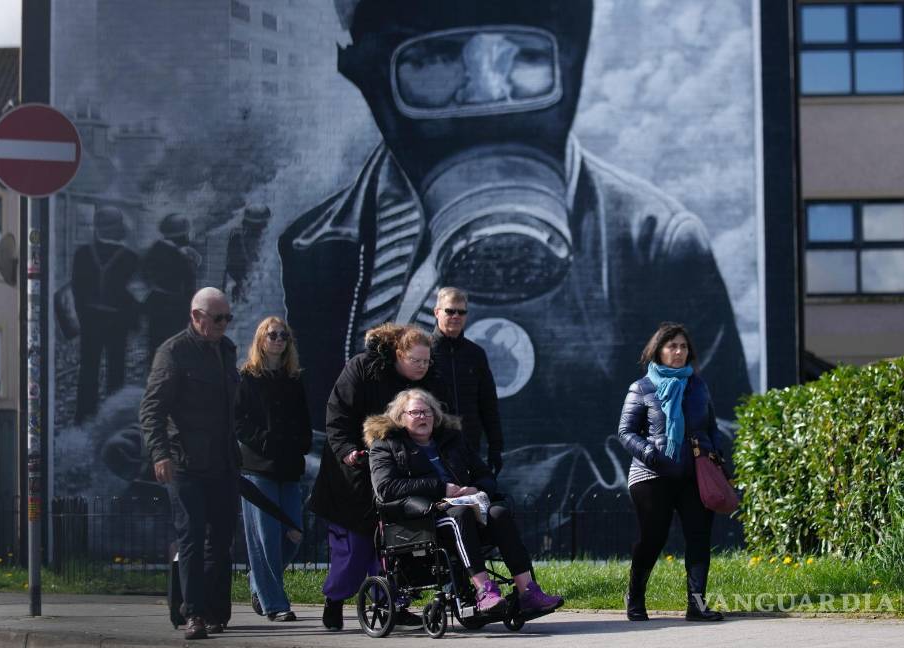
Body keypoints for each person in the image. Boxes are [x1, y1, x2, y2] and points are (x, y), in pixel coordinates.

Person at [278, 0, 751, 504]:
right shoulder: (321, 249)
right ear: (367, 74)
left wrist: (529, 491)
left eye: (523, 57)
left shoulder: (652, 245)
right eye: (436, 58)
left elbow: (722, 434)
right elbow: (319, 429)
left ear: (572, 63)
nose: (487, 93)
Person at [366, 388, 563, 614]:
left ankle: (527, 591)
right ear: (400, 417)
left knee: (499, 513)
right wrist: (441, 488)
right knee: (460, 515)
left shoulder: (452, 440)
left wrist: (476, 488)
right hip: (425, 517)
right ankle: (484, 590)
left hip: (467, 505)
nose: (423, 417)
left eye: (427, 412)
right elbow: (386, 488)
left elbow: (486, 475)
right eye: (415, 413)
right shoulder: (385, 445)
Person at [308, 323, 441, 630]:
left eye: (426, 361)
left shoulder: (430, 380)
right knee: (354, 548)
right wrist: (347, 451)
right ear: (398, 355)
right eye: (416, 361)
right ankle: (336, 598)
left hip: (400, 472)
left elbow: (440, 417)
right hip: (354, 474)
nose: (423, 366)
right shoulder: (362, 368)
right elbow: (337, 414)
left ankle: (394, 604)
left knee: (396, 547)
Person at [140, 287, 240, 640]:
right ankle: (193, 614)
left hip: (223, 463)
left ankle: (216, 613)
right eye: (217, 318)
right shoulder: (173, 352)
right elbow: (152, 409)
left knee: (221, 541)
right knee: (193, 538)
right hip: (186, 464)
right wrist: (160, 453)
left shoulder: (227, 351)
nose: (224, 324)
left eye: (228, 317)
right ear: (196, 316)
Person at [617, 322, 727, 622]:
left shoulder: (698, 385)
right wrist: (653, 455)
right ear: (659, 350)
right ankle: (635, 596)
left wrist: (716, 454)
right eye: (672, 346)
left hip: (694, 471)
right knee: (653, 537)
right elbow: (626, 432)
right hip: (653, 473)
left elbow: (711, 427)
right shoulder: (642, 387)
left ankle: (697, 604)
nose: (678, 352)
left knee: (699, 536)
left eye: (683, 346)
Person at [236, 316, 313, 623]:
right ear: (261, 340)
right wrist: (264, 441)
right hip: (258, 469)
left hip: (290, 467)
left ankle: (258, 582)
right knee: (266, 539)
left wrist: (302, 443)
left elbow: (304, 419)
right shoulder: (248, 377)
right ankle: (275, 604)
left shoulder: (293, 379)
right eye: (273, 335)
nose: (279, 340)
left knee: (294, 535)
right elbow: (238, 421)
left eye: (284, 336)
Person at [72, 206, 139, 423]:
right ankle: (113, 416)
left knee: (88, 368)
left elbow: (76, 289)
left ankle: (84, 415)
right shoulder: (130, 258)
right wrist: (133, 323)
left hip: (90, 320)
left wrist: (82, 317)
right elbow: (133, 296)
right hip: (117, 321)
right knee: (116, 369)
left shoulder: (81, 254)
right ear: (119, 229)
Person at [430, 287, 504, 474]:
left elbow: (488, 403)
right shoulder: (422, 351)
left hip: (469, 445)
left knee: (469, 499)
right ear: (437, 312)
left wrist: (495, 447)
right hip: (431, 445)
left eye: (461, 312)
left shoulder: (475, 354)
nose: (456, 316)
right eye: (450, 311)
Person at [142, 212, 201, 366]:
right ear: (180, 235)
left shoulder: (152, 251)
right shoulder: (181, 257)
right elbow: (189, 285)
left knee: (155, 345)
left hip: (156, 306)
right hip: (176, 308)